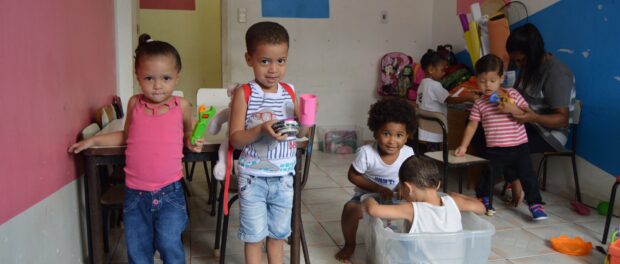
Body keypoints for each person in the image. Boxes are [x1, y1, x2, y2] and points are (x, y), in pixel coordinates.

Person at [69, 34, 202, 263]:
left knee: (169, 244)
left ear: (177, 77)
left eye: (166, 78)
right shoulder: (134, 103)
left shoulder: (182, 106)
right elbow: (127, 136)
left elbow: (188, 134)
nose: (157, 85)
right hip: (135, 194)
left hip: (170, 192)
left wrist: (192, 140)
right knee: (138, 250)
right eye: (149, 78)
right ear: (138, 77)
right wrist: (94, 141)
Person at [228, 21, 312, 264]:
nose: (273, 69)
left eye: (281, 61)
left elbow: (300, 133)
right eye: (265, 61)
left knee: (278, 235)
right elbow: (235, 138)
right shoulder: (245, 93)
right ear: (249, 59)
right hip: (252, 178)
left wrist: (307, 118)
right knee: (254, 237)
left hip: (284, 177)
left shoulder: (289, 92)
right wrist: (260, 130)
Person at [455, 54, 548, 220]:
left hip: (520, 146)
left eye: (492, 80)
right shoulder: (480, 103)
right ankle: (484, 198)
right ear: (477, 80)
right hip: (496, 149)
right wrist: (463, 145)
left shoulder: (512, 94)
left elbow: (527, 114)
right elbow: (472, 125)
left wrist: (512, 109)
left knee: (528, 176)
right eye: (483, 81)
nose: (488, 85)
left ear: (501, 78)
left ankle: (535, 204)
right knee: (488, 175)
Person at [335, 98, 416, 262]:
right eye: (386, 134)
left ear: (407, 137)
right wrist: (378, 189)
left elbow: (411, 176)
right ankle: (350, 244)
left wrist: (403, 186)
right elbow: (353, 175)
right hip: (367, 196)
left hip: (396, 198)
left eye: (399, 135)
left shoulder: (408, 153)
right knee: (350, 209)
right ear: (375, 132)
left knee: (417, 211)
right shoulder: (366, 153)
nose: (392, 140)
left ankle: (408, 243)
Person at [363, 156, 485, 233]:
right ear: (438, 185)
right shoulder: (454, 202)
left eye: (401, 188)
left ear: (408, 188)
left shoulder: (411, 209)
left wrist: (369, 199)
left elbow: (373, 210)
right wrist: (457, 196)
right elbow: (482, 208)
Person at [416, 49, 479, 152]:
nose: (444, 73)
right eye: (442, 70)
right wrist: (467, 97)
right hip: (435, 129)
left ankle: (430, 166)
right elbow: (449, 100)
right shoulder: (434, 85)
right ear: (431, 69)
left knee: (430, 153)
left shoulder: (422, 84)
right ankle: (434, 167)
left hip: (425, 127)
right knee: (435, 154)